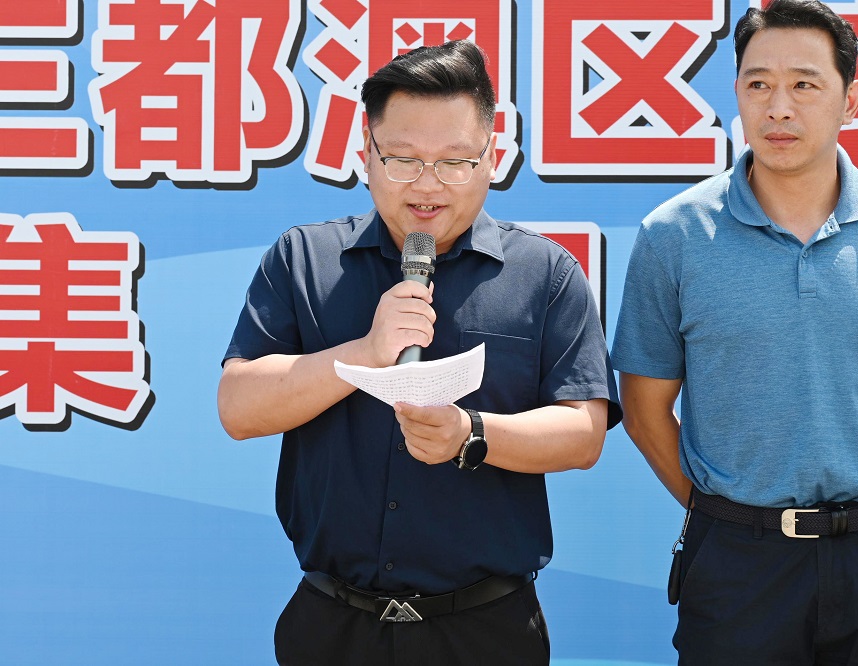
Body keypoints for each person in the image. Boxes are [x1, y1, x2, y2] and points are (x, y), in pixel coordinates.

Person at [217, 40, 620, 665]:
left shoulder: (545, 274)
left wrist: (471, 434)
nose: (428, 185)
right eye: (403, 160)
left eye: (454, 161)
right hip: (332, 625)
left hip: (485, 630)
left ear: (492, 158)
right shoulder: (304, 260)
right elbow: (239, 407)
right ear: (366, 154)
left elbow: (583, 433)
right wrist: (365, 351)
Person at [611, 1, 858, 664]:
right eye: (758, 84)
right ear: (737, 94)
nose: (778, 108)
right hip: (737, 566)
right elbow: (644, 411)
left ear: (852, 100)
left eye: (805, 84)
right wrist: (728, 516)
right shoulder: (673, 236)